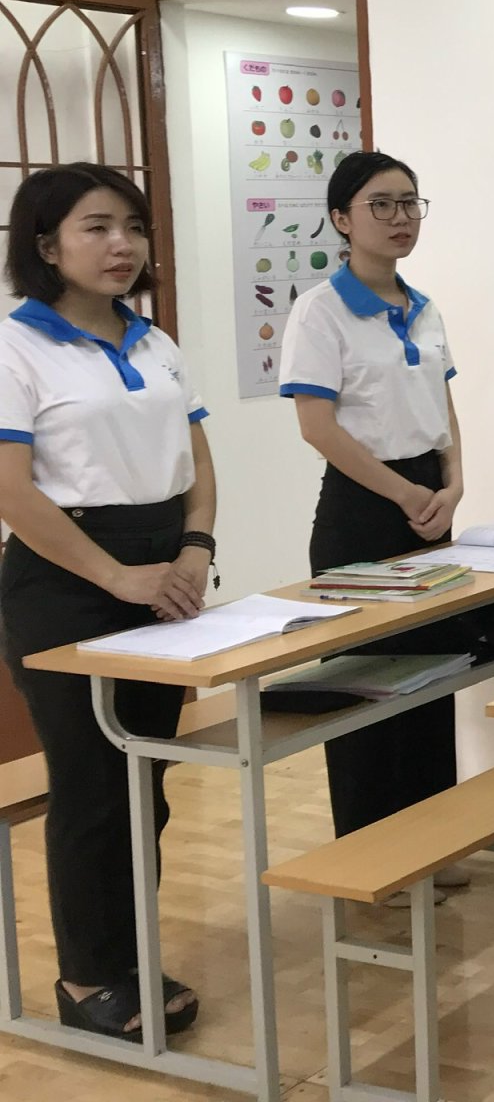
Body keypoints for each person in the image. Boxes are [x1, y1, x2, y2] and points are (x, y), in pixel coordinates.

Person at [0, 163, 212, 1040]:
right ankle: (85, 977)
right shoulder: (16, 346)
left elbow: (197, 462)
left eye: (132, 225)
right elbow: (13, 492)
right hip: (66, 587)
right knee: (91, 787)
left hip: (163, 575)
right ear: (47, 246)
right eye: (97, 227)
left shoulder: (154, 341)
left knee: (145, 781)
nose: (121, 244)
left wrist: (195, 548)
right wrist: (117, 577)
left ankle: (130, 956)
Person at [279, 152, 494, 891]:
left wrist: (455, 484)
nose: (400, 217)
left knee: (434, 676)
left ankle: (430, 848)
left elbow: (444, 408)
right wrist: (405, 495)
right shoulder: (320, 310)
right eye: (381, 204)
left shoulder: (425, 307)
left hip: (430, 503)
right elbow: (318, 426)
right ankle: (371, 862)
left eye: (410, 202)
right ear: (341, 219)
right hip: (362, 511)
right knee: (367, 691)